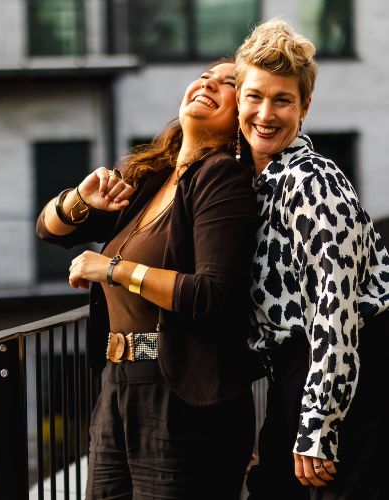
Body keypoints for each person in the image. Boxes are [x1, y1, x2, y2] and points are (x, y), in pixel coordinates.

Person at [36, 59, 258, 499]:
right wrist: (80, 198)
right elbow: (50, 230)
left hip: (183, 395)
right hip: (119, 385)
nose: (209, 84)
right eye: (205, 76)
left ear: (243, 113)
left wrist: (113, 270)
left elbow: (213, 294)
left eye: (228, 83)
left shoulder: (221, 177)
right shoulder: (153, 179)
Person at [234, 18, 389, 500]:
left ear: (304, 108)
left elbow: (336, 309)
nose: (266, 113)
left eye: (282, 100)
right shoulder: (255, 182)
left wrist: (319, 423)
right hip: (297, 371)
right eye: (254, 96)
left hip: (345, 370)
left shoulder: (313, 180)